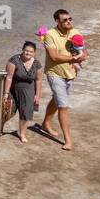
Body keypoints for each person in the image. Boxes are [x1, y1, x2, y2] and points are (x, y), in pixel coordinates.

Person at [42, 8, 84, 151]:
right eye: (65, 20)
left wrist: (81, 56)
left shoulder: (75, 32)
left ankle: (45, 124)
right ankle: (68, 140)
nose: (68, 22)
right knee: (63, 107)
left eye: (70, 19)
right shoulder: (50, 34)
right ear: (57, 21)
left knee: (57, 99)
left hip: (70, 74)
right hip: (55, 74)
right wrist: (73, 58)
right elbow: (53, 56)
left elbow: (85, 51)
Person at [1, 40, 43, 143]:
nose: (28, 53)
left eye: (31, 51)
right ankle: (0, 126)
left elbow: (39, 80)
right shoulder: (14, 60)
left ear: (34, 52)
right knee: (9, 112)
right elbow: (9, 77)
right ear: (22, 50)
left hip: (29, 90)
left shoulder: (37, 64)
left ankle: (22, 134)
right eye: (26, 50)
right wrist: (6, 93)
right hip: (13, 89)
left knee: (25, 114)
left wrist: (37, 95)